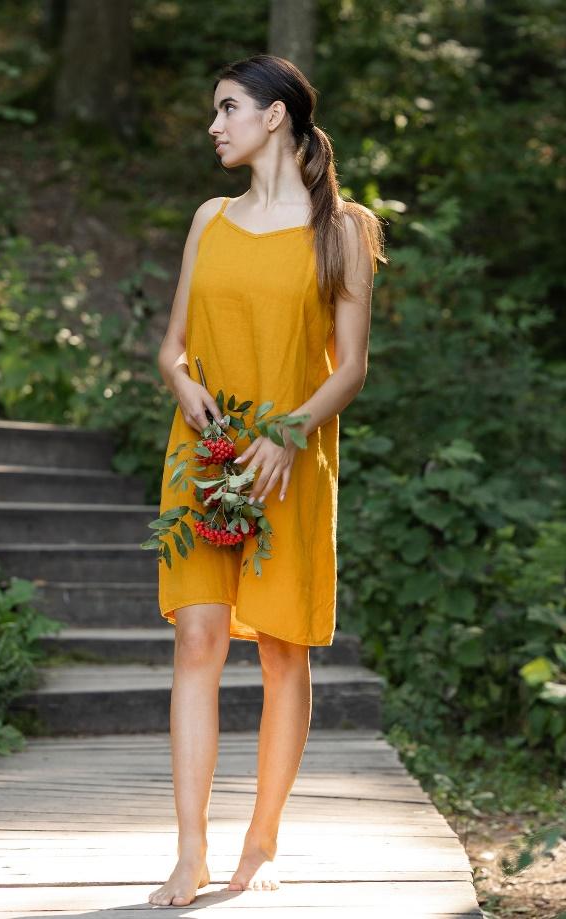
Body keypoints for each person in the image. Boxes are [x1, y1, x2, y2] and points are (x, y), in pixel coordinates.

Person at [148, 54, 385, 908]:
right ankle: (189, 850)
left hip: (290, 456)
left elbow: (351, 367)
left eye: (228, 108)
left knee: (283, 652)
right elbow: (172, 345)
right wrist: (184, 385)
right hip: (203, 457)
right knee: (197, 639)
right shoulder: (209, 217)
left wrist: (288, 431)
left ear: (275, 116)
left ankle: (262, 841)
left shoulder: (342, 231)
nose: (214, 126)